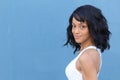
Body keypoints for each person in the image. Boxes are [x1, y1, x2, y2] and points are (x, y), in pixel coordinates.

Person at [64, 5, 111, 80]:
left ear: (93, 28)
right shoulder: (92, 52)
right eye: (74, 26)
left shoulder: (86, 57)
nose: (76, 31)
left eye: (82, 26)